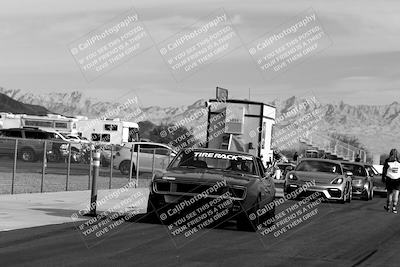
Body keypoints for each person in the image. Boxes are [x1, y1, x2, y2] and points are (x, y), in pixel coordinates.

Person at [382, 149, 400, 213]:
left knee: (389, 193)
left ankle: (388, 207)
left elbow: (384, 170)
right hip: (398, 179)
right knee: (396, 194)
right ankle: (394, 208)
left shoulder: (387, 161)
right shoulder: (399, 161)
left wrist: (383, 178)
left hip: (389, 178)